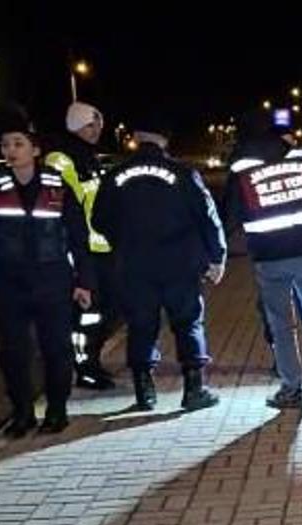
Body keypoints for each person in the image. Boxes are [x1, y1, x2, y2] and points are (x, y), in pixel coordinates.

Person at [0, 113, 94, 436]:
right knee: (13, 353)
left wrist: (84, 282)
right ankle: (22, 413)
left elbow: (78, 236)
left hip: (52, 282)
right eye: (5, 145)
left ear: (35, 149)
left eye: (18, 144)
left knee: (56, 349)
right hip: (6, 285)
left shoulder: (58, 187)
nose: (11, 150)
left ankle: (57, 410)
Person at [91, 116, 224, 412]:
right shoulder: (183, 173)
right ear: (164, 139)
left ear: (136, 138)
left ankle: (144, 393)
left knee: (140, 326)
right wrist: (216, 257)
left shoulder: (114, 176)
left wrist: (122, 241)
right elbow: (206, 217)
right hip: (180, 264)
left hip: (134, 265)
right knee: (188, 323)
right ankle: (194, 390)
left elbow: (99, 219)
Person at [224, 115, 302, 409]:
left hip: (269, 258)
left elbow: (231, 215)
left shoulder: (243, 169)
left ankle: (291, 389)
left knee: (281, 326)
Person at [46, 101, 119, 390]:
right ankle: (85, 368)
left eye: (99, 124)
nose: (96, 129)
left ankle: (92, 362)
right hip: (80, 249)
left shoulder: (90, 157)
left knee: (107, 311)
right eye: (90, 124)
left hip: (101, 248)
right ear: (75, 126)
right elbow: (64, 208)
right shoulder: (61, 159)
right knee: (87, 314)